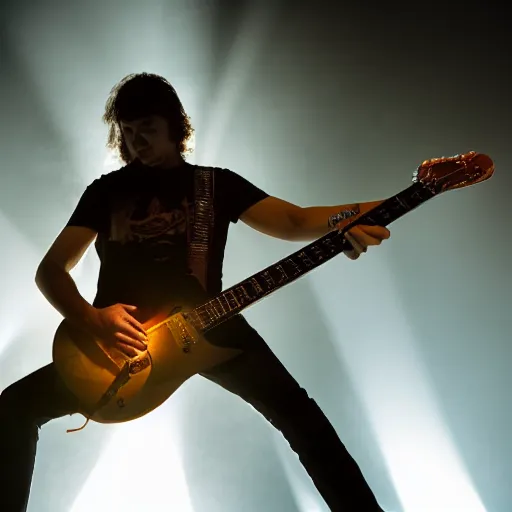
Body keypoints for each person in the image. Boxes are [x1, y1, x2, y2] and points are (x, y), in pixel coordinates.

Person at [0, 73, 390, 512]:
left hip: (212, 324)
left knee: (305, 422)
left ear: (174, 124)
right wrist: (94, 320)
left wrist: (369, 210)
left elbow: (295, 222)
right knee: (13, 408)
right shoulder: (105, 192)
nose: (136, 141)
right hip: (119, 348)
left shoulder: (215, 184)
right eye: (127, 131)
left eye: (146, 127)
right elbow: (50, 271)